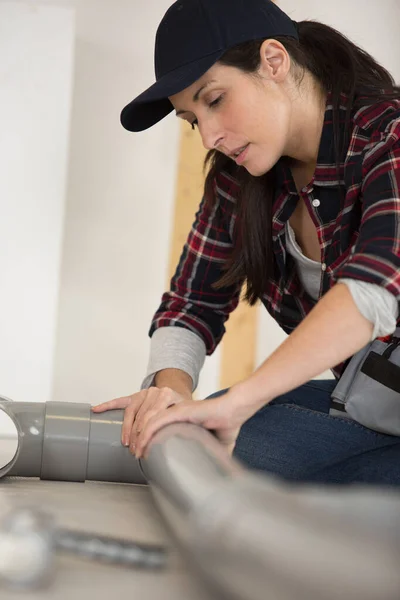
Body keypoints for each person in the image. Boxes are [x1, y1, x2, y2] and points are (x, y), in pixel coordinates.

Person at [93, 0, 400, 486]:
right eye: (193, 120)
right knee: (192, 438)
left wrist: (243, 400)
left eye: (214, 100)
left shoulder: (389, 136)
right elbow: (192, 301)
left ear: (274, 61)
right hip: (372, 409)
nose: (209, 137)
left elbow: (375, 288)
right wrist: (167, 392)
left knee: (244, 447)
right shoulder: (240, 179)